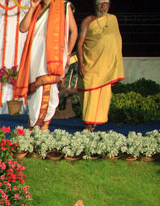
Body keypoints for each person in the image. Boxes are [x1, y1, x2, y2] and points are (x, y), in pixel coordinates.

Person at [14, 0, 78, 130]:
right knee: (35, 95)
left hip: (51, 58)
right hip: (34, 57)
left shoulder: (63, 6)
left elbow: (74, 31)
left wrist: (68, 53)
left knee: (48, 93)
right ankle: (36, 128)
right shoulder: (36, 9)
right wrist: (32, 8)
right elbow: (22, 28)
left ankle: (41, 128)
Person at [77, 0, 123, 130]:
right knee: (89, 92)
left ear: (109, 5)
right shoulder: (88, 21)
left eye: (105, 3)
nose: (102, 6)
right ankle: (88, 123)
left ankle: (95, 122)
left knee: (103, 93)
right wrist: (81, 63)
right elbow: (80, 44)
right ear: (95, 5)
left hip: (105, 66)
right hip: (90, 63)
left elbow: (116, 42)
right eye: (99, 3)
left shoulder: (113, 19)